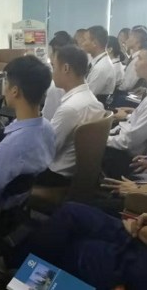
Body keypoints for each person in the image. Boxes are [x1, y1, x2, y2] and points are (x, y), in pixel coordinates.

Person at [3, 200, 147, 290]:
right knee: (70, 213)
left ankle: (17, 270)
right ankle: (18, 267)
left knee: (72, 245)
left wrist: (143, 230)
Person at [0, 55, 54, 210]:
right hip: (19, 205)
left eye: (6, 83)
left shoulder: (11, 146)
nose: (4, 89)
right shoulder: (47, 128)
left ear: (15, 91)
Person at [103, 41, 147, 178]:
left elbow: (128, 142)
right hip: (131, 140)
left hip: (132, 158)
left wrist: (101, 138)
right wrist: (128, 116)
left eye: (140, 58)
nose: (136, 63)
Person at [36, 46, 104, 187]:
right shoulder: (92, 100)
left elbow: (47, 149)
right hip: (75, 171)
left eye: (54, 67)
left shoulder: (70, 109)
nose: (52, 72)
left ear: (66, 68)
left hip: (56, 175)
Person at [42, 31, 75, 120]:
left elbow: (47, 118)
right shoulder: (78, 78)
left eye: (51, 52)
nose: (49, 56)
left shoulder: (56, 87)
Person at [81, 25, 116, 98]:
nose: (82, 43)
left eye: (84, 40)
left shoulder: (101, 68)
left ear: (94, 43)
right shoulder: (97, 61)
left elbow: (87, 95)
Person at [119, 26, 147, 92]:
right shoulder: (134, 57)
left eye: (129, 37)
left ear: (136, 41)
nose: (126, 40)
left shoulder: (137, 60)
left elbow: (126, 86)